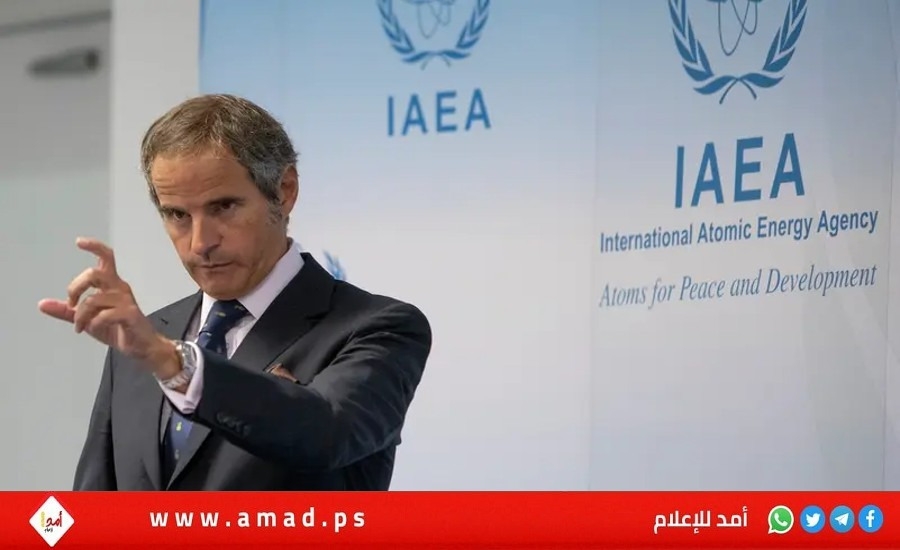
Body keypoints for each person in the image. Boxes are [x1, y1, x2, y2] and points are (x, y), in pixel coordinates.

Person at [38, 94, 432, 491]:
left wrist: (173, 362)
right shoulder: (142, 341)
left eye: (223, 207)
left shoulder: (380, 327)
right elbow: (91, 508)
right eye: (177, 214)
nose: (200, 243)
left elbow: (328, 434)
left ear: (285, 190)